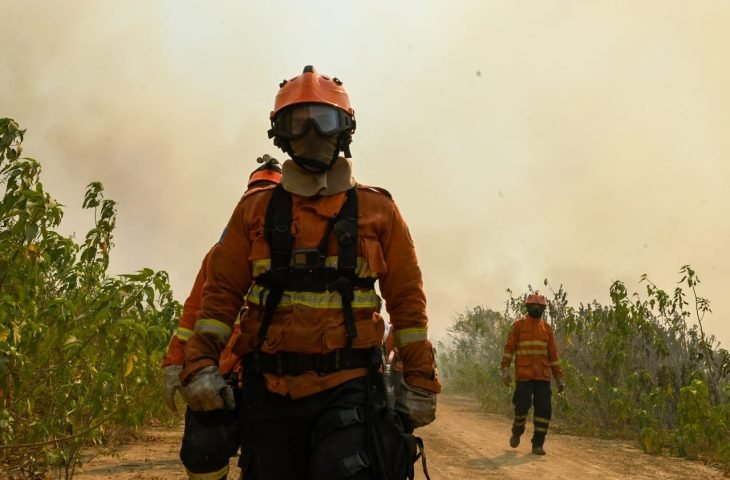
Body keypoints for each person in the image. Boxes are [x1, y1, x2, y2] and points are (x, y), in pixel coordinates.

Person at [178, 65, 440, 479]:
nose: (312, 135)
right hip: (269, 389)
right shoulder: (254, 211)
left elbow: (408, 303)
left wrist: (420, 380)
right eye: (298, 124)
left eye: (324, 121)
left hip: (350, 386)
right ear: (280, 135)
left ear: (345, 130)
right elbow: (219, 297)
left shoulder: (379, 211)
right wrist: (201, 365)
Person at [162, 155, 282, 480]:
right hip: (220, 373)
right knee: (202, 453)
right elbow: (194, 312)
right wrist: (175, 362)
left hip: (276, 377)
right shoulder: (220, 253)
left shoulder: (301, 253)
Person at [501, 292, 565, 455]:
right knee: (522, 406)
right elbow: (509, 349)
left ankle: (538, 444)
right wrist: (505, 369)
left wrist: (559, 378)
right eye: (533, 306)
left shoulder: (547, 329)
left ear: (543, 309)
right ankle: (517, 430)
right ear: (527, 307)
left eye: (539, 306)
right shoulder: (519, 326)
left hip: (543, 377)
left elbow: (553, 356)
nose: (536, 308)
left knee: (544, 410)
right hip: (524, 376)